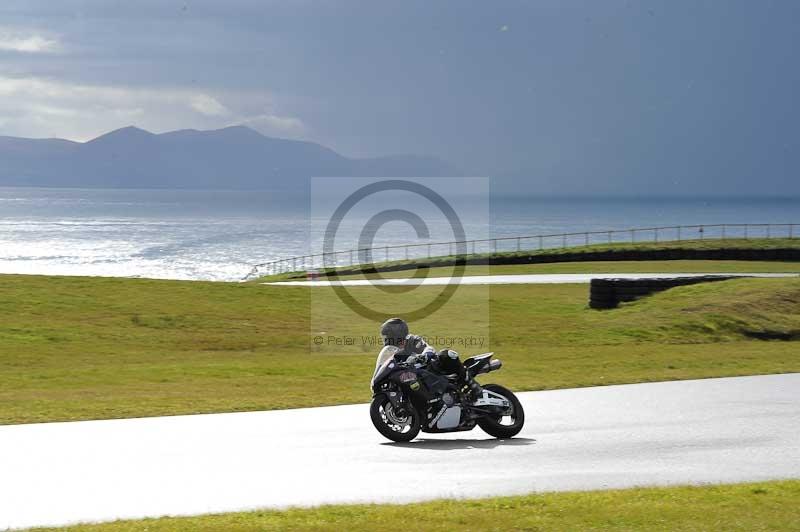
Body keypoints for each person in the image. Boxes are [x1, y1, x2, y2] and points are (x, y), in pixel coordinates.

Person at [379, 317, 482, 399]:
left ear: (396, 334)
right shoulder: (392, 351)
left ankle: (471, 383)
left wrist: (424, 355)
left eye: (387, 337)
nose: (385, 340)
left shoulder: (412, 340)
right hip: (414, 379)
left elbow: (428, 348)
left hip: (431, 370)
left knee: (446, 354)